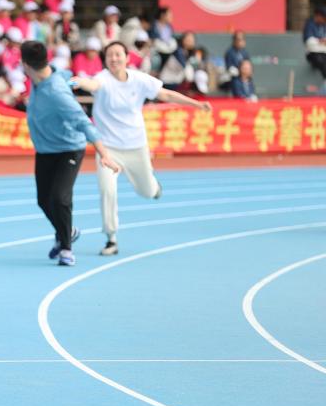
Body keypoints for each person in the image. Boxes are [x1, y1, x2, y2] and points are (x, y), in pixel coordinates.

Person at [72, 42, 210, 256]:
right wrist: (78, 81)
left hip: (136, 147)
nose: (114, 59)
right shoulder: (102, 79)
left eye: (118, 54)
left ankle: (154, 188)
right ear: (105, 60)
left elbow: (166, 95)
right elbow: (91, 84)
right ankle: (111, 238)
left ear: (127, 58)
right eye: (109, 55)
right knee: (107, 190)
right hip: (108, 150)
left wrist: (197, 104)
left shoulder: (139, 79)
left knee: (146, 191)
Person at [21, 40, 119, 267]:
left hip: (69, 149)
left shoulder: (57, 92)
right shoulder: (39, 78)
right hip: (45, 149)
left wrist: (104, 153)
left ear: (25, 65)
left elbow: (83, 122)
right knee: (44, 201)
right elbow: (64, 73)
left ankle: (66, 249)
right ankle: (68, 231)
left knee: (60, 198)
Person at [304, 6, 326, 80]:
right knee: (322, 62)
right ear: (318, 16)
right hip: (313, 54)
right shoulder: (310, 24)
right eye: (324, 17)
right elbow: (308, 41)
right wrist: (320, 41)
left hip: (324, 52)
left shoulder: (324, 25)